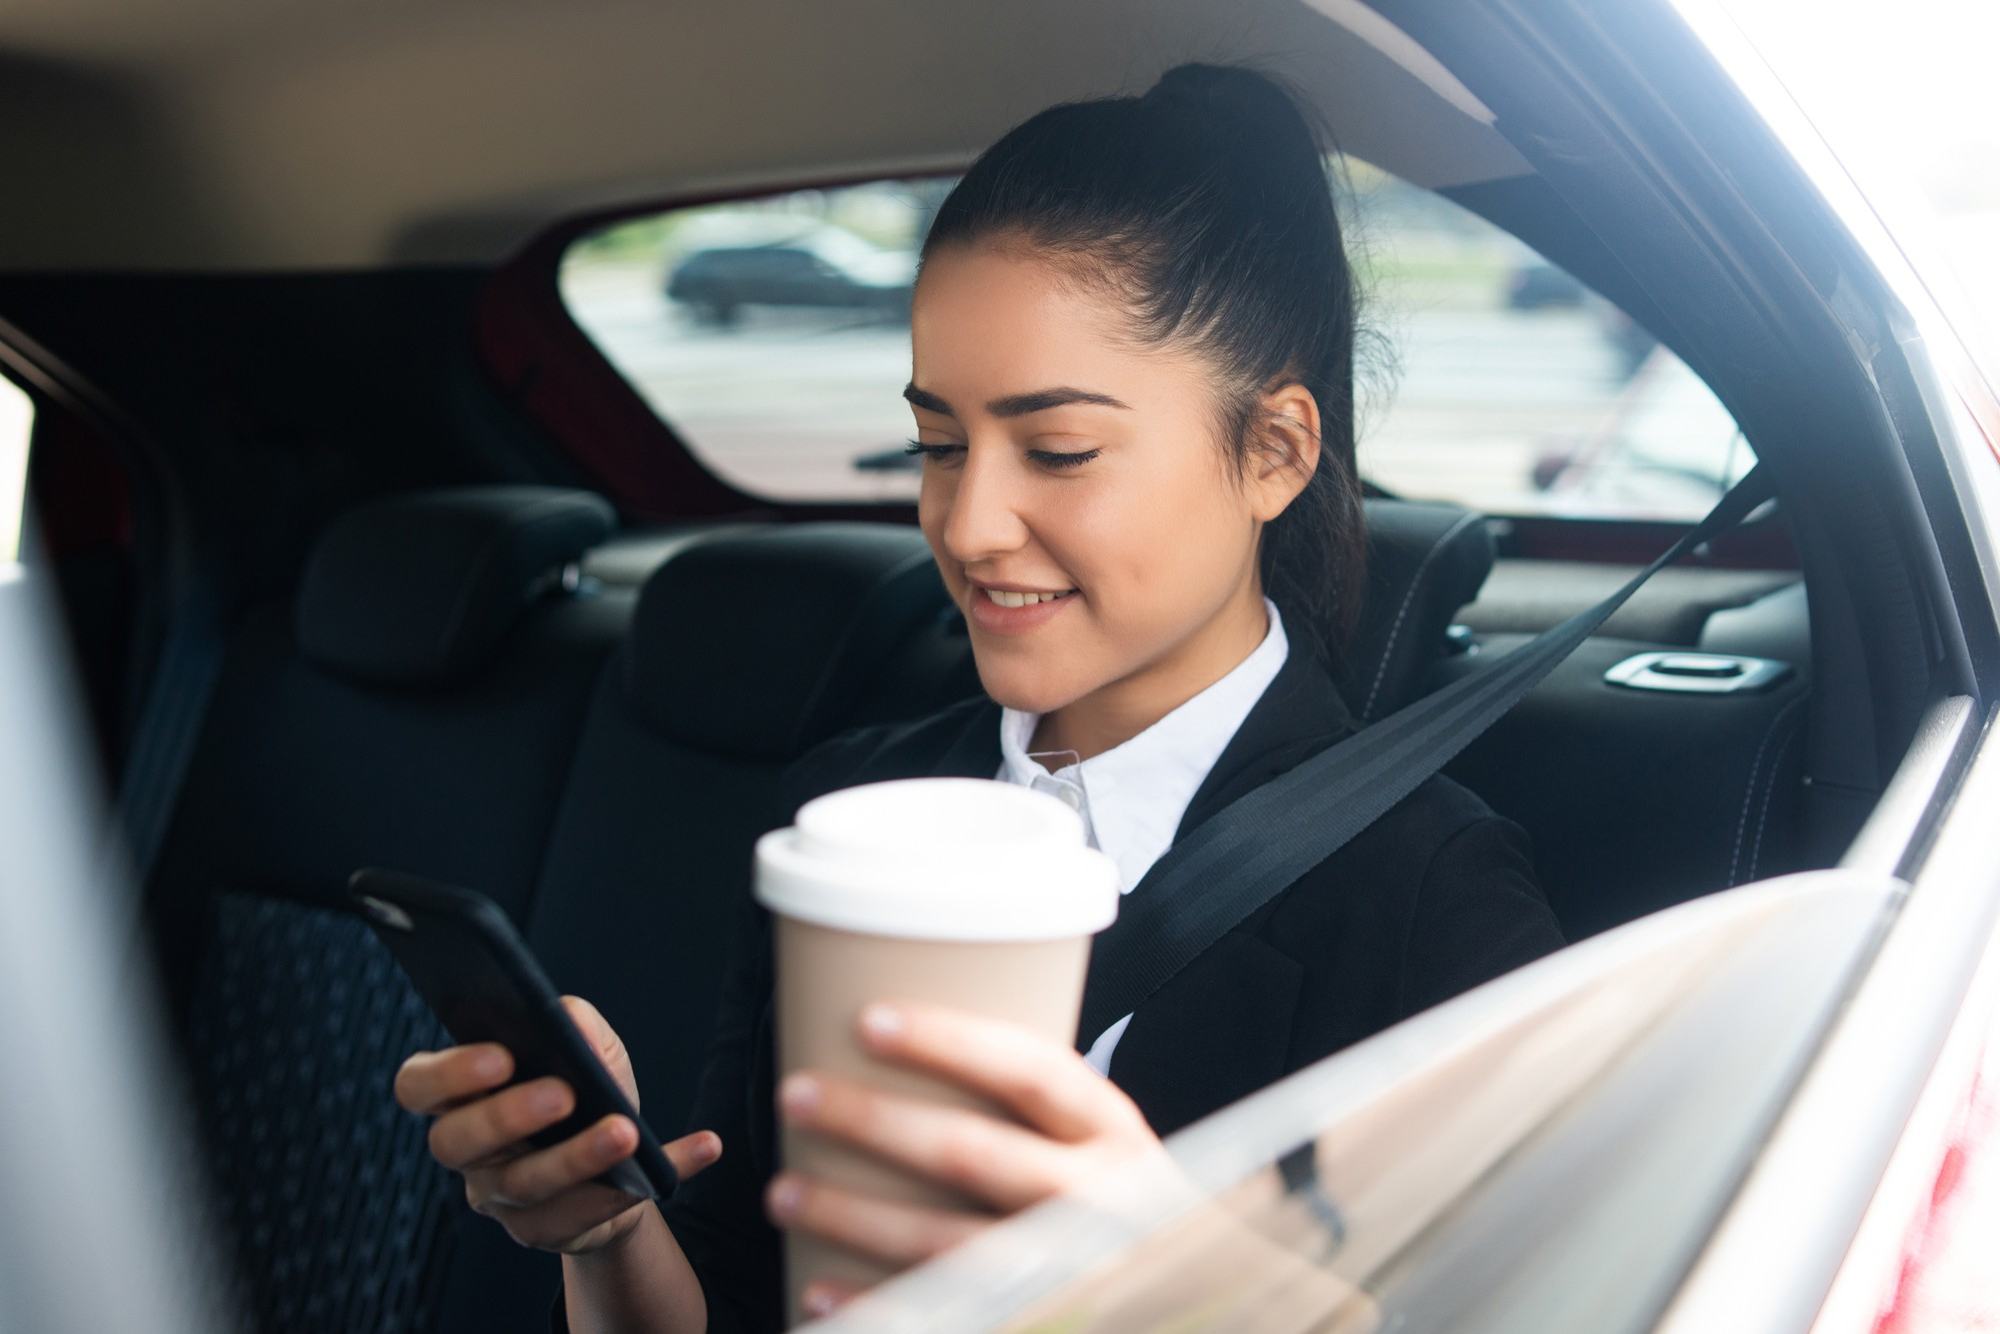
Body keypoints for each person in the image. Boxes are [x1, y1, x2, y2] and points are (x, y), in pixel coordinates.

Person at [394, 62, 1565, 1333]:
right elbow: (738, 1294)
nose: (967, 524)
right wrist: (611, 1229)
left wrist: (1193, 1278)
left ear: (1272, 451)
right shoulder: (847, 805)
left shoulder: (1426, 895)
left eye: (1057, 450)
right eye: (939, 445)